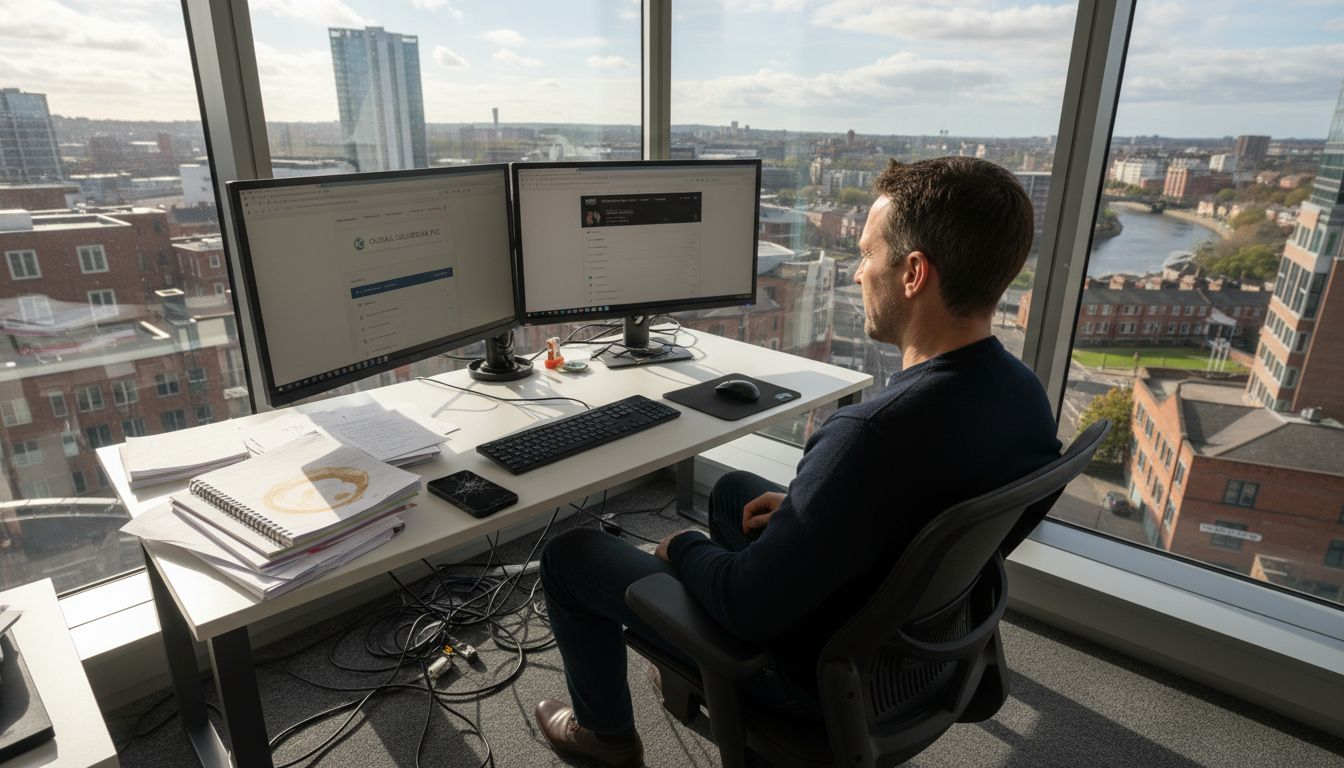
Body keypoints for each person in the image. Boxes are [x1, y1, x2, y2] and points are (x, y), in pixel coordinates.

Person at [534, 157, 1063, 768]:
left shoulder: (870, 434)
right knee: (735, 492)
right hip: (915, 644)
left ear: (914, 273)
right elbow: (942, 515)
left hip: (822, 678)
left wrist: (680, 546)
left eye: (867, 254)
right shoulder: (1023, 397)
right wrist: (829, 512)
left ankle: (606, 739)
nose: (859, 271)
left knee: (571, 556)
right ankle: (693, 663)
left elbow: (747, 606)